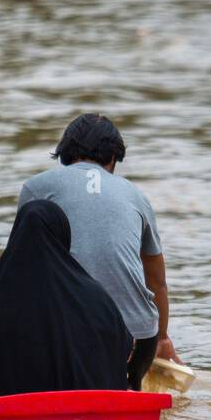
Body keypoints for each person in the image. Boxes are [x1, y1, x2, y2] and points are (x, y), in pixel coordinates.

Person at [18, 113, 180, 389]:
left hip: (65, 334)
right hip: (137, 337)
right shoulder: (136, 195)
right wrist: (162, 339)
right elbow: (157, 281)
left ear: (64, 155)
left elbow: (21, 266)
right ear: (113, 159)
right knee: (126, 398)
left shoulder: (37, 187)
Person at [0, 200, 132, 401]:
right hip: (92, 418)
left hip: (14, 416)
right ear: (63, 237)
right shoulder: (96, 297)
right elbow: (123, 346)